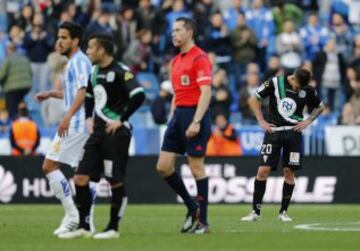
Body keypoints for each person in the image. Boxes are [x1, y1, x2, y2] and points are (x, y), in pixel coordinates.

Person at [58, 32, 145, 239]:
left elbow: (139, 95)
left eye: (90, 48)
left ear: (102, 50)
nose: (87, 51)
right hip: (96, 133)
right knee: (80, 177)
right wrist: (88, 117)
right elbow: (89, 94)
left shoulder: (123, 71)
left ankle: (113, 228)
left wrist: (121, 119)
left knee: (114, 179)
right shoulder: (94, 71)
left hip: (116, 133)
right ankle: (84, 226)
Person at [35, 21, 96, 236]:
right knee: (82, 175)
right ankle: (86, 221)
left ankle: (72, 216)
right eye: (58, 37)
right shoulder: (75, 62)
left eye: (64, 38)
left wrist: (67, 117)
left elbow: (82, 92)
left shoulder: (79, 62)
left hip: (77, 124)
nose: (59, 41)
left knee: (49, 166)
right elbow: (73, 93)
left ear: (75, 41)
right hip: (81, 123)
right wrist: (52, 93)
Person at [241, 68, 324, 222]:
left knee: (289, 172)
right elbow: (253, 99)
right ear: (292, 78)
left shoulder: (308, 89)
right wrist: (260, 120)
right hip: (274, 132)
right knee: (263, 170)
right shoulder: (274, 82)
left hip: (294, 133)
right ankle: (255, 212)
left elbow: (320, 106)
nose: (298, 90)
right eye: (297, 86)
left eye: (301, 88)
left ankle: (283, 212)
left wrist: (308, 121)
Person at [156, 17, 212, 234]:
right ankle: (192, 206)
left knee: (196, 167)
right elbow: (177, 93)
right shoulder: (176, 61)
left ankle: (203, 222)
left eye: (178, 30)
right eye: (173, 31)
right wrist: (172, 117)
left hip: (194, 114)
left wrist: (196, 121)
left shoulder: (200, 58)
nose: (174, 35)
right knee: (163, 166)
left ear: (189, 32)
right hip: (178, 115)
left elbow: (206, 92)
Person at [0, 42, 32, 120]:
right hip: (25, 87)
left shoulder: (8, 59)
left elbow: (1, 75)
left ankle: (14, 123)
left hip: (12, 88)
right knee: (21, 105)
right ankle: (26, 120)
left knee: (12, 108)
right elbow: (31, 73)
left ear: (8, 50)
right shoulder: (25, 58)